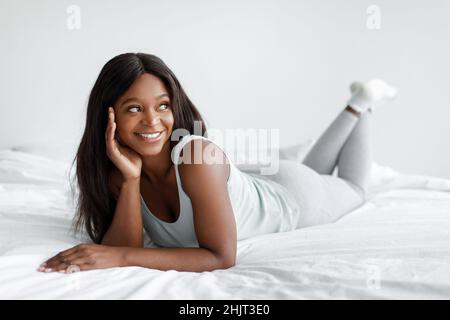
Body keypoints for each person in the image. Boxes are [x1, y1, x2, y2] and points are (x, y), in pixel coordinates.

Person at [37, 53, 397, 273]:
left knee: (354, 189)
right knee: (316, 172)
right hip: (263, 182)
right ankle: (356, 102)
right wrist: (131, 183)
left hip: (293, 201)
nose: (152, 121)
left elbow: (222, 257)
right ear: (109, 116)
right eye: (135, 108)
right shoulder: (122, 170)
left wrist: (120, 259)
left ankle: (363, 106)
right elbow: (124, 244)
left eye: (162, 105)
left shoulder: (197, 156)